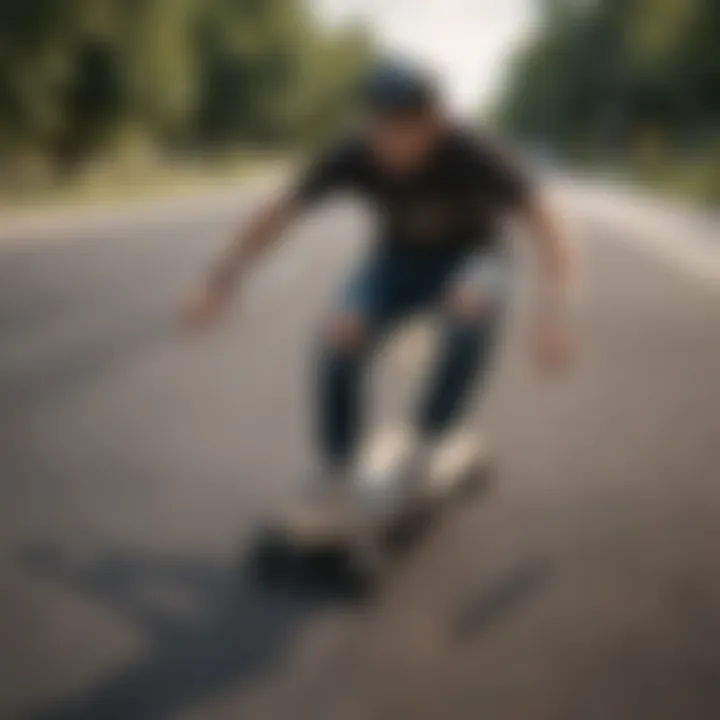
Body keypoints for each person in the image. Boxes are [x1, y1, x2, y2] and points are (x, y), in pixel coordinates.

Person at [182, 61, 575, 516]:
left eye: (402, 131)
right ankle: (337, 460)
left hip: (474, 259)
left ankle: (431, 437)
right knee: (339, 333)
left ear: (435, 123)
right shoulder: (355, 152)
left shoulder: (472, 152)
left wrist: (554, 311)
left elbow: (549, 225)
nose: (387, 144)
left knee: (471, 305)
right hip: (397, 262)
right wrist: (222, 278)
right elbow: (280, 211)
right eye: (378, 128)